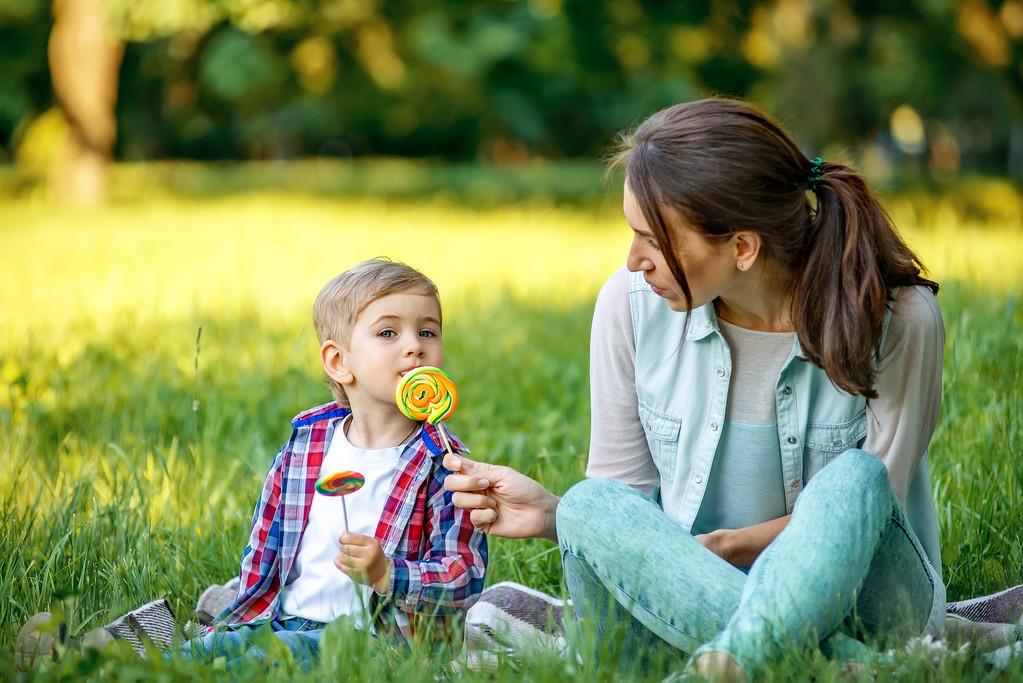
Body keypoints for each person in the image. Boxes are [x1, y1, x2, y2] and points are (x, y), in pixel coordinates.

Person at [443, 97, 960, 680]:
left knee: (855, 478)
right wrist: (557, 515)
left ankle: (743, 658)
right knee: (591, 502)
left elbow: (869, 516)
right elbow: (625, 513)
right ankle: (828, 670)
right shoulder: (629, 304)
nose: (634, 260)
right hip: (677, 604)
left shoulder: (898, 319)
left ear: (742, 247)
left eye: (655, 240)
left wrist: (730, 549)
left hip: (869, 606)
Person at [18, 258, 487, 671]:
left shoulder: (444, 466)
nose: (415, 346)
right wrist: (245, 604)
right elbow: (265, 546)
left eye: (428, 331)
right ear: (339, 362)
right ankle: (96, 656)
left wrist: (389, 574)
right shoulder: (307, 448)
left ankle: (109, 665)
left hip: (373, 642)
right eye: (389, 332)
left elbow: (464, 576)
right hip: (282, 617)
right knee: (224, 645)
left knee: (249, 659)